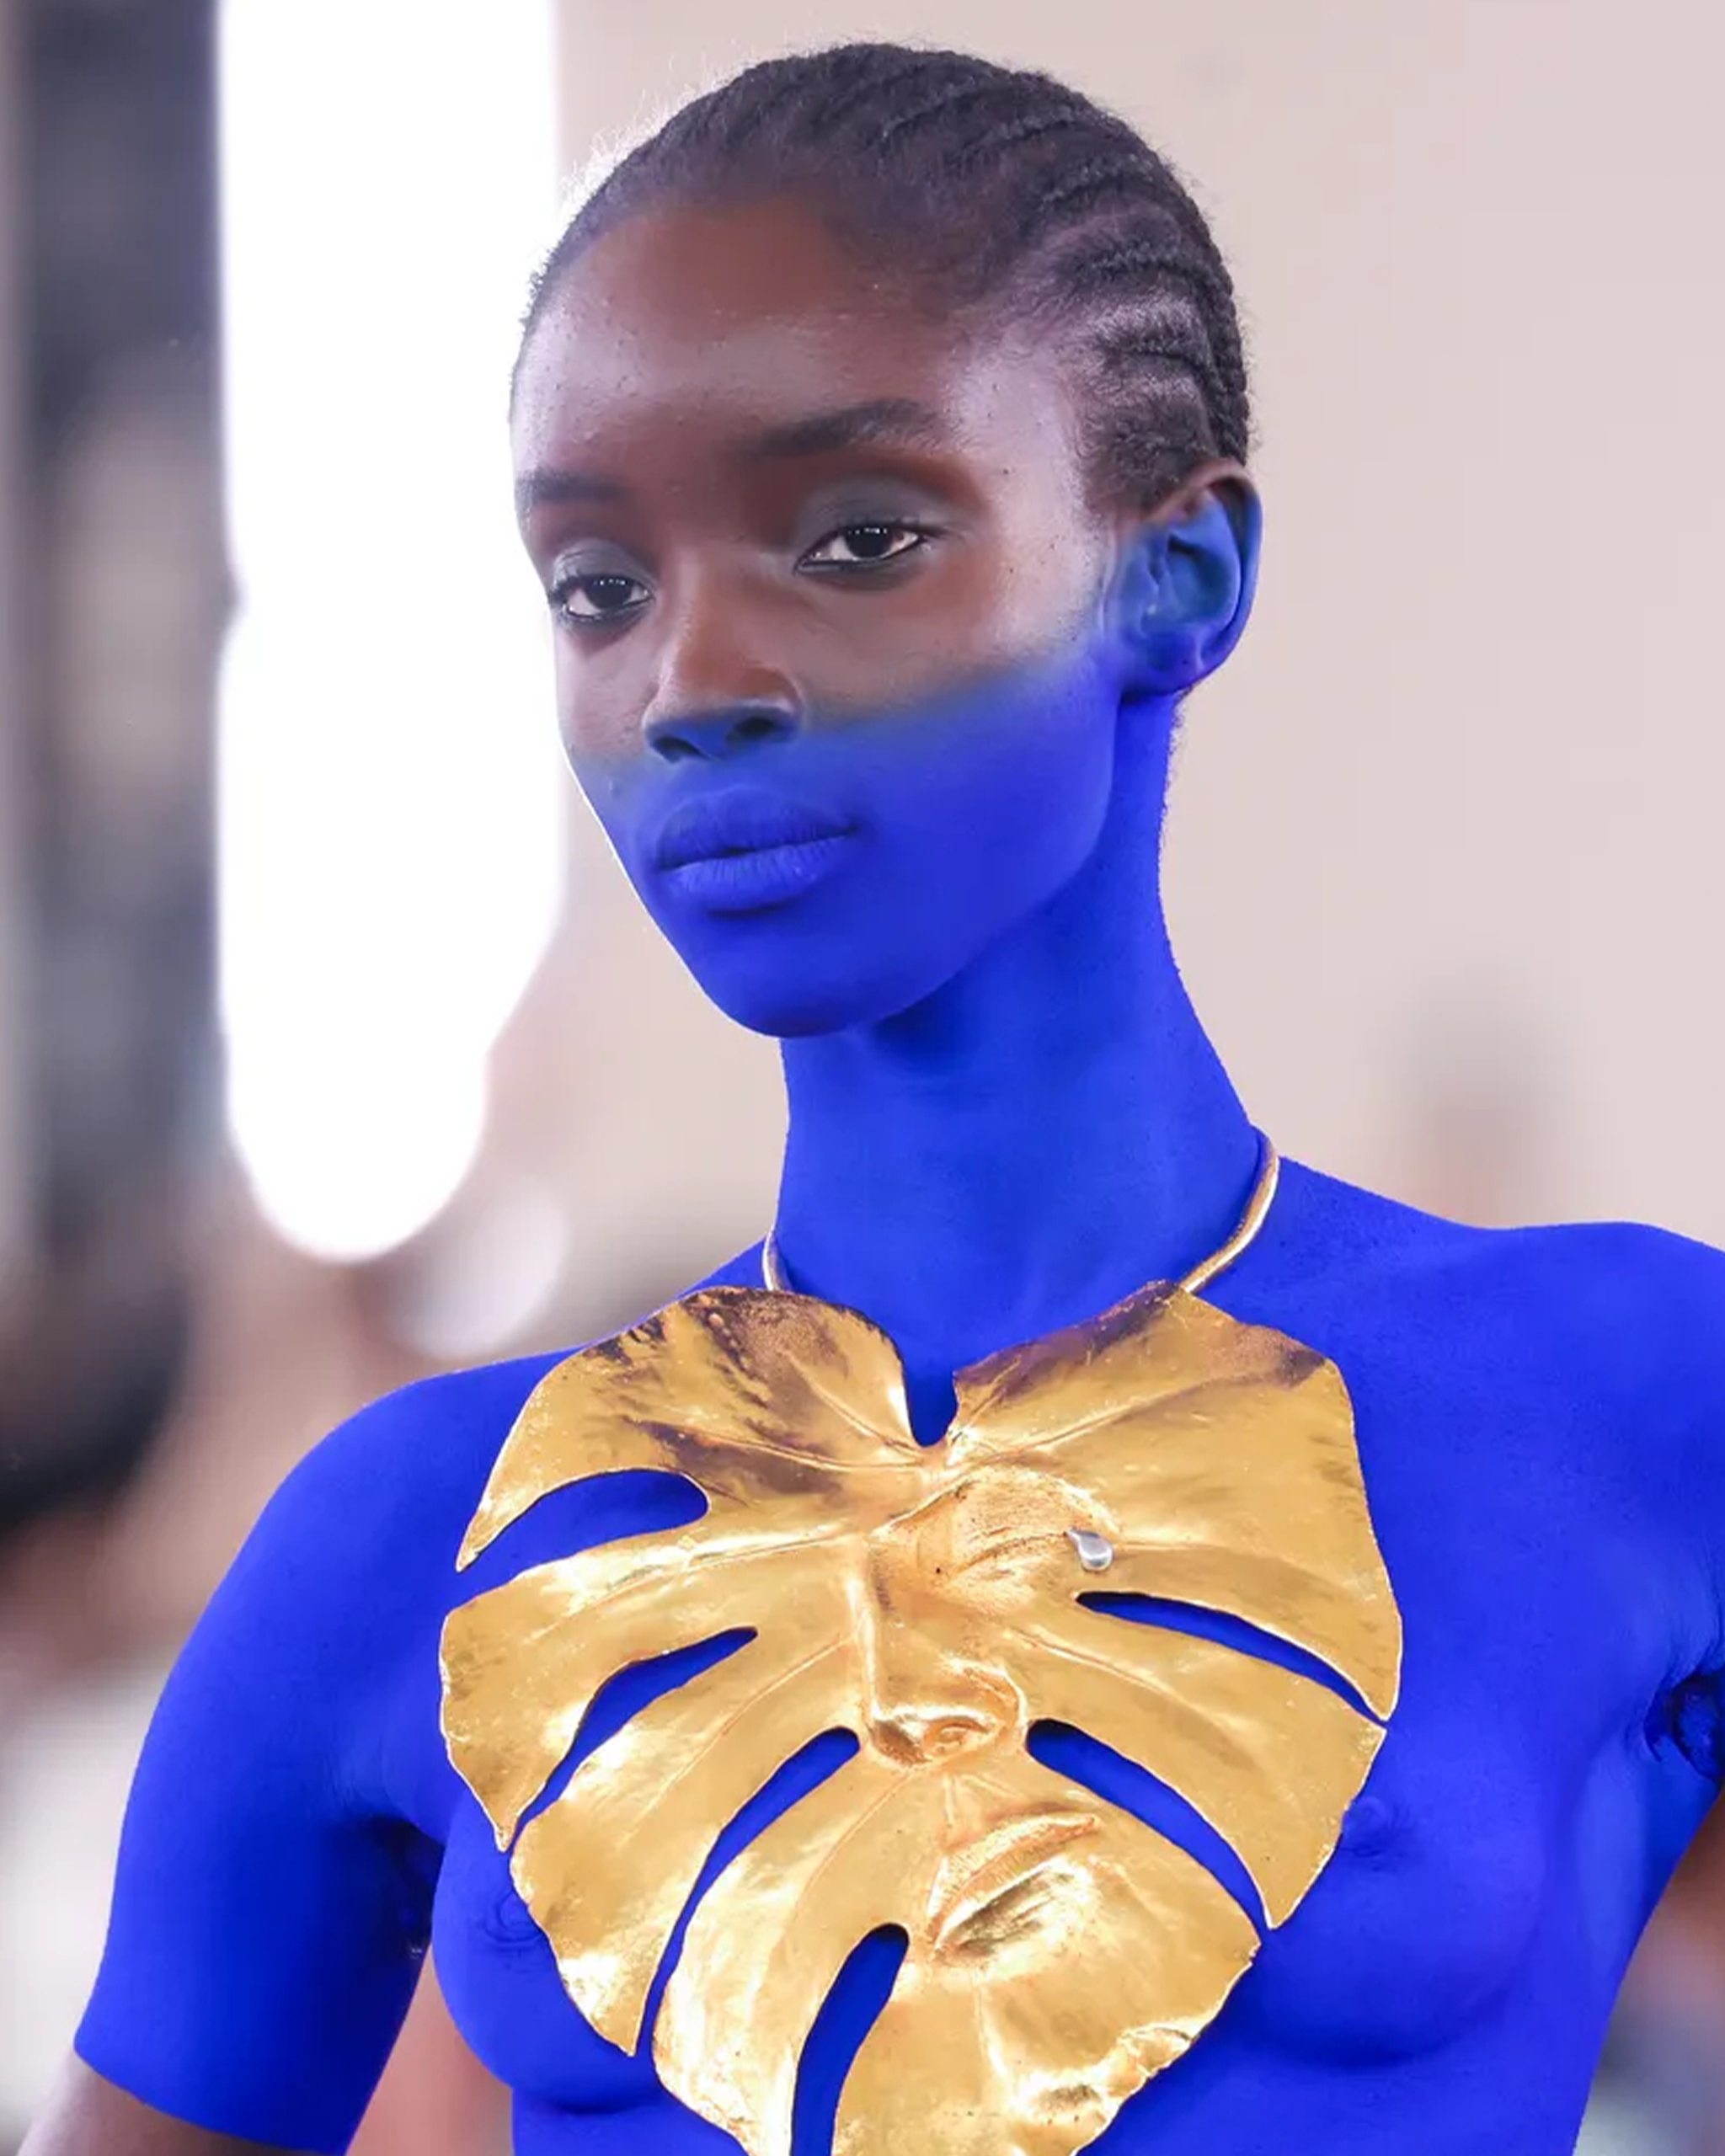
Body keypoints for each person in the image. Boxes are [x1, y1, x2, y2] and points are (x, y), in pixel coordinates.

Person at [23, 40, 1725, 2156]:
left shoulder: (1636, 1402)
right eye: (598, 586)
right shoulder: (405, 1543)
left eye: (854, 538)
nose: (690, 683)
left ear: (1175, 575)